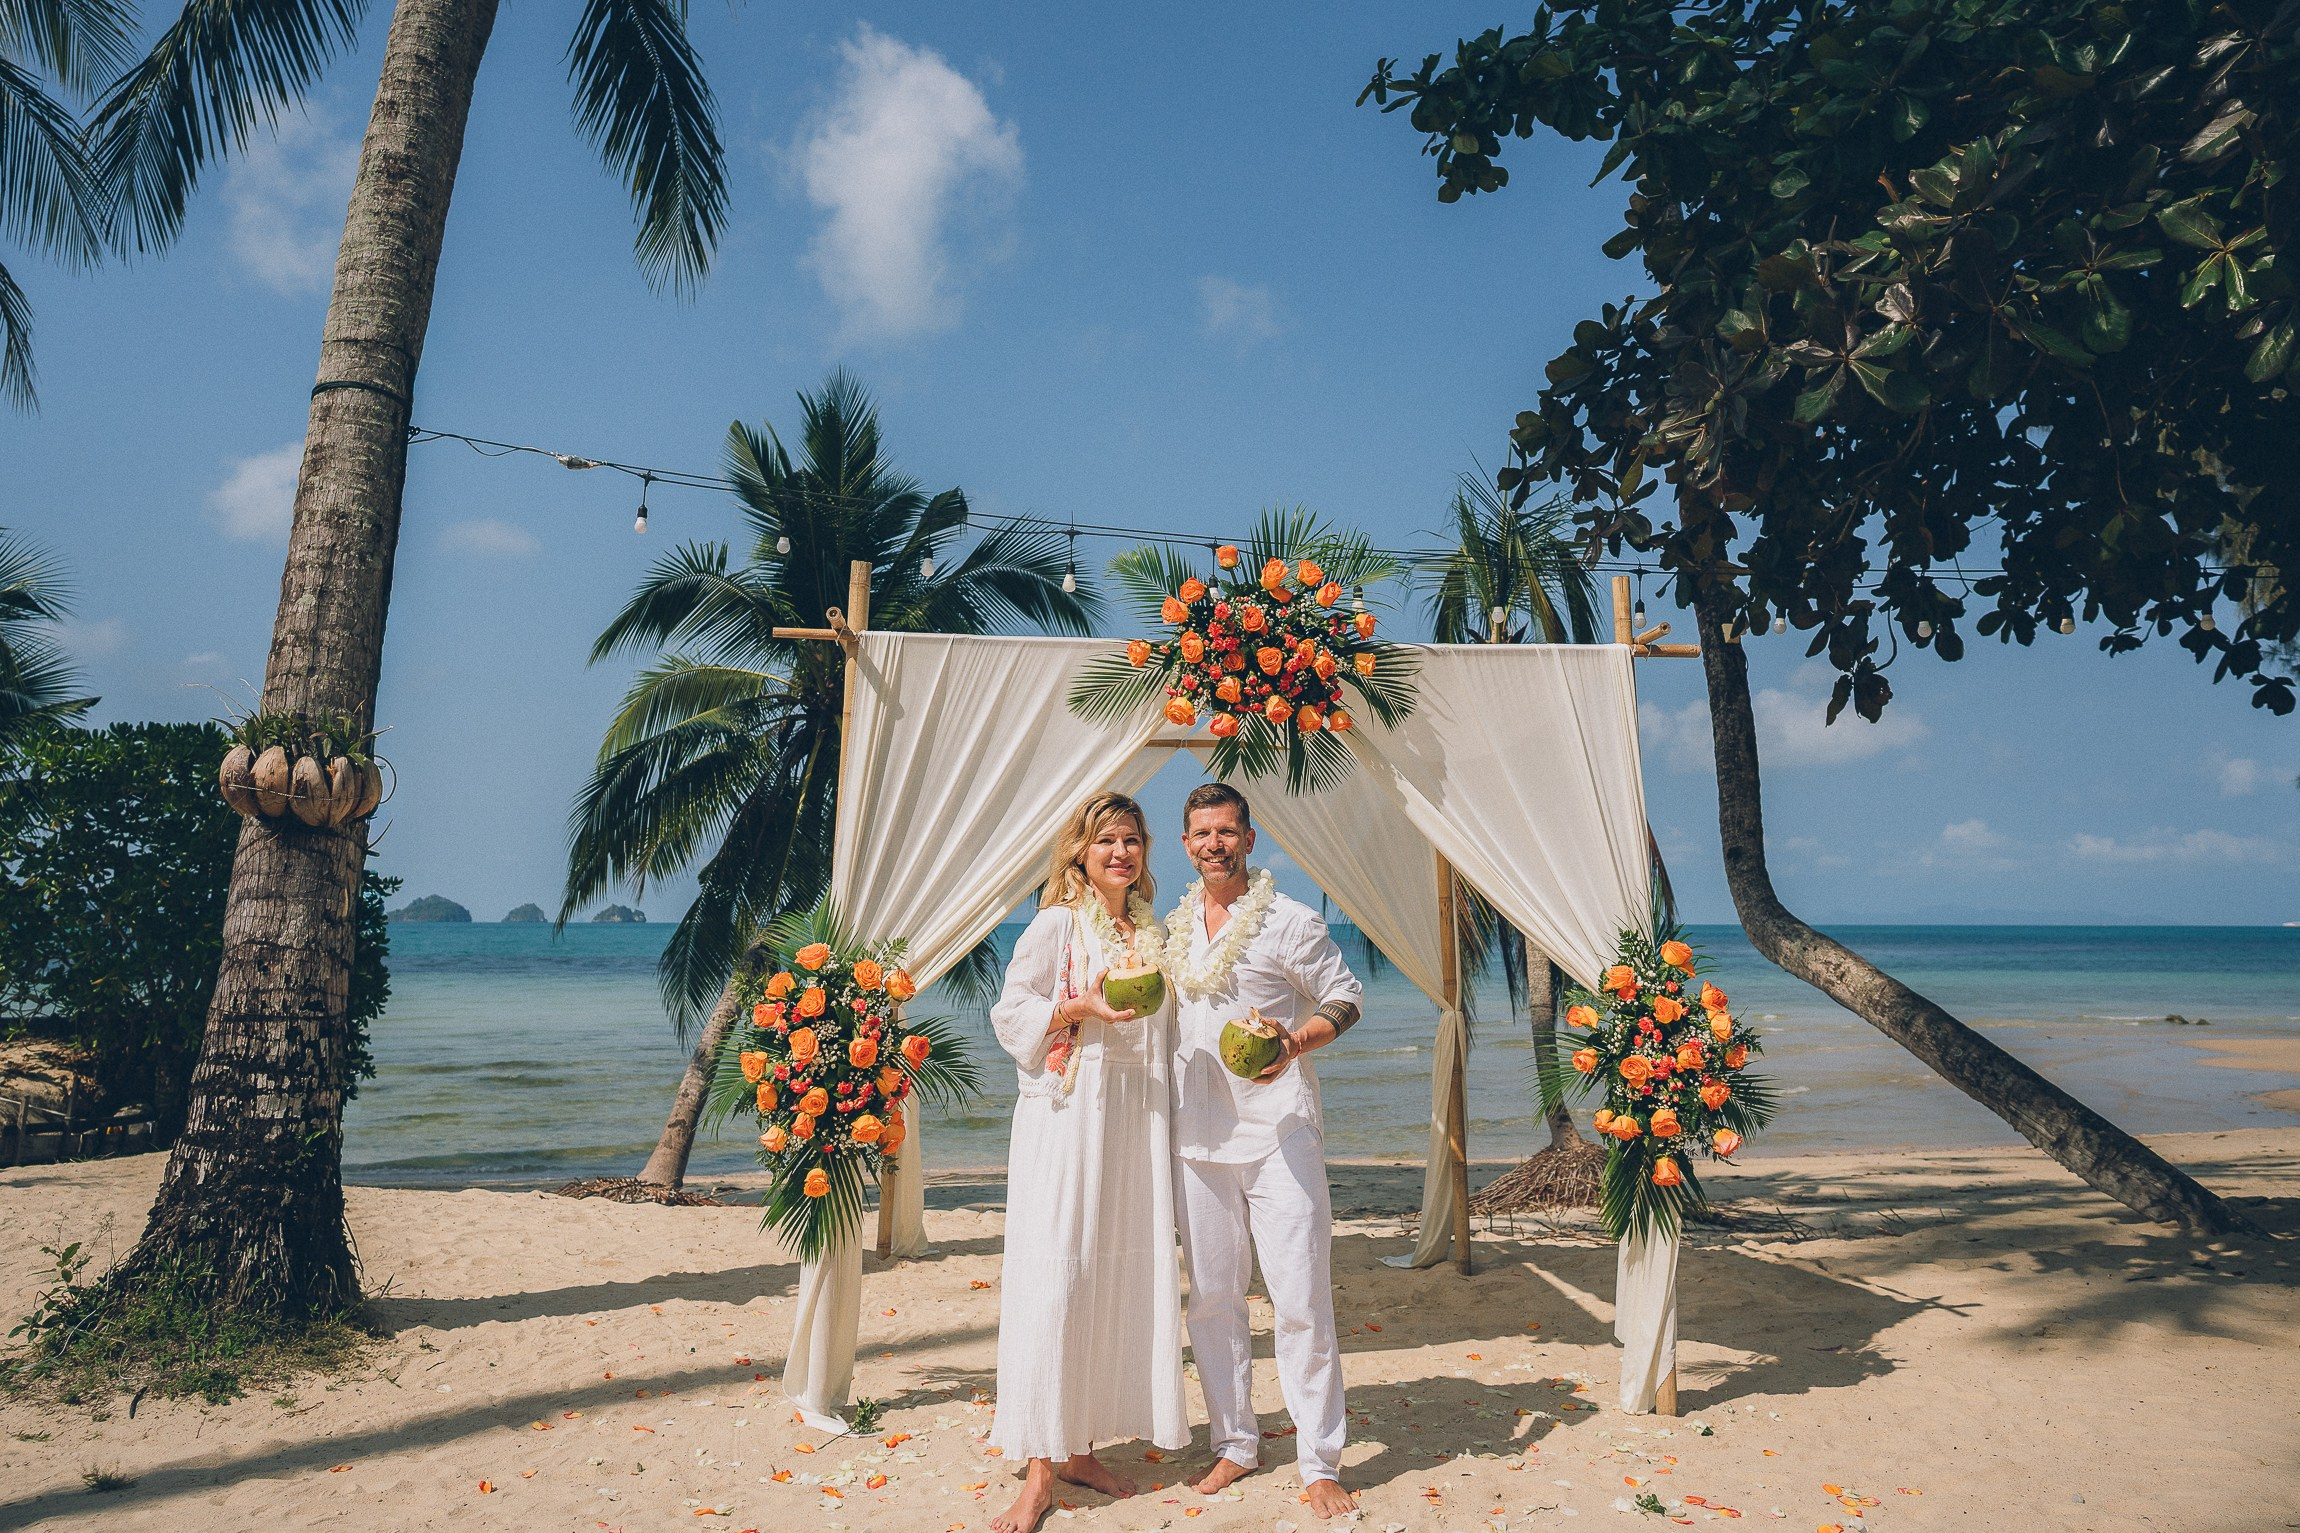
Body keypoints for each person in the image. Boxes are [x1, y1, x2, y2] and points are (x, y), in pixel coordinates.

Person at [985, 790, 1188, 1533]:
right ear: (1080, 850)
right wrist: (1080, 1009)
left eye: (1132, 839)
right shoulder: (1058, 924)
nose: (1120, 852)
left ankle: (1081, 1449)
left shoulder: (1152, 933)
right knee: (1059, 1277)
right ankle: (1040, 1471)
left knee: (1109, 1276)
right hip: (1068, 1120)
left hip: (1132, 1124)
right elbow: (1011, 1014)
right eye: (1106, 840)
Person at [1167, 781, 1363, 1520]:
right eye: (1200, 833)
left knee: (1301, 1298)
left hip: (1281, 1130)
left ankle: (1318, 1460)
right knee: (1213, 1299)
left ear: (1249, 839)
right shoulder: (1175, 927)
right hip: (1197, 1135)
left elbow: (1344, 997)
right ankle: (1236, 1442)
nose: (1214, 842)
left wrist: (1294, 1041)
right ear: (1187, 845)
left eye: (1226, 830)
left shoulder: (1290, 919)